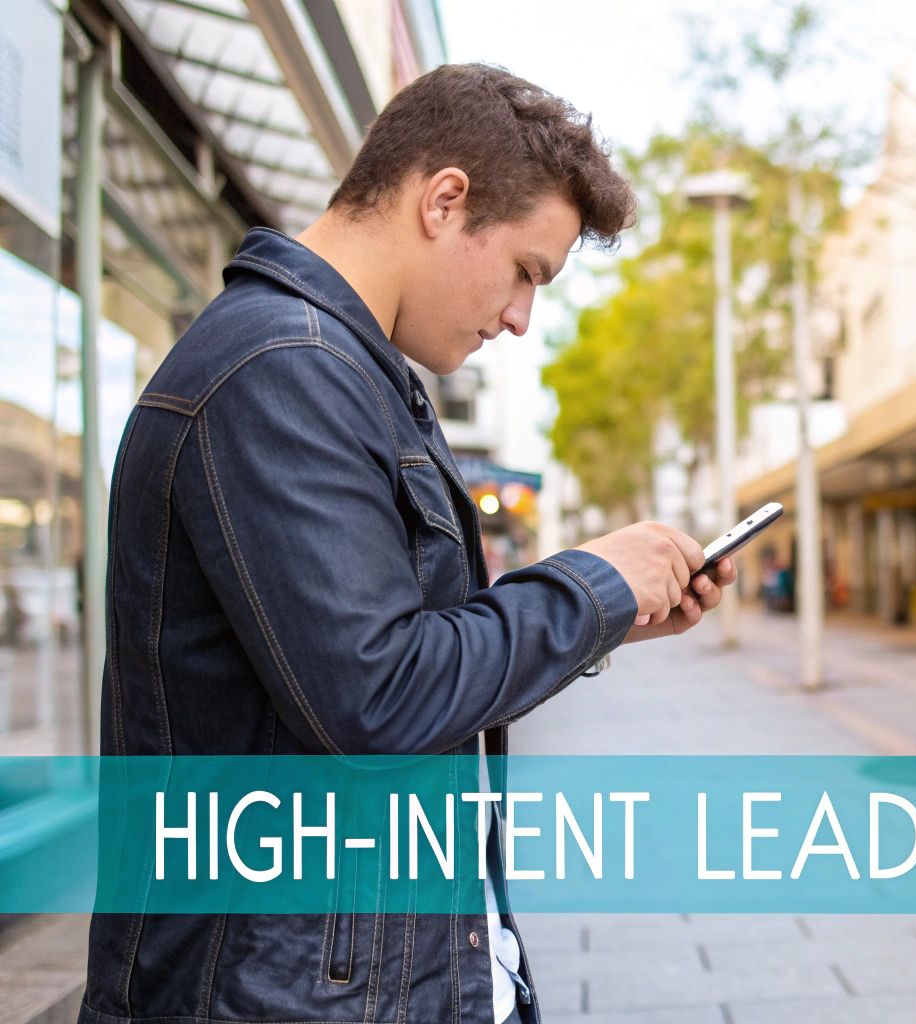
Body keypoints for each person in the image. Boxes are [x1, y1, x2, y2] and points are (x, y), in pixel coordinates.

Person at [82, 64, 735, 1024]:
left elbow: (403, 651)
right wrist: (590, 589)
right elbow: (378, 700)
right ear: (445, 200)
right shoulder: (283, 370)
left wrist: (606, 618)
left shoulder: (350, 372)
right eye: (526, 270)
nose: (520, 317)